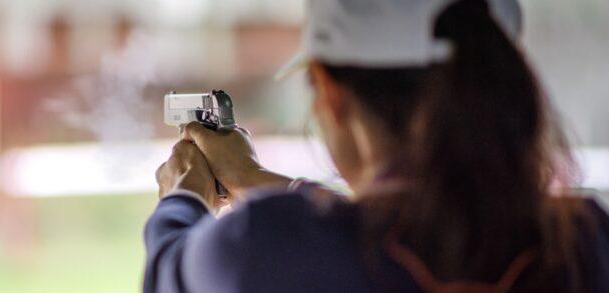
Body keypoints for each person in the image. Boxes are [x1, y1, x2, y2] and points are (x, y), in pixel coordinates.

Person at [144, 0, 609, 292]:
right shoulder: (587, 242)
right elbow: (409, 238)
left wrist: (183, 195)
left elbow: (170, 270)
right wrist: (255, 180)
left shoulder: (268, 245)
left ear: (330, 93)